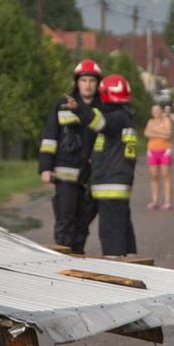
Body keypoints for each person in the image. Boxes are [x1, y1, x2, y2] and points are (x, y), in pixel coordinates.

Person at [68, 73, 137, 257]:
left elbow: (100, 122)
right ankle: (130, 260)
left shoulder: (116, 118)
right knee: (122, 230)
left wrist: (79, 108)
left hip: (110, 185)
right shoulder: (125, 117)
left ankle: (115, 270)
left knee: (111, 236)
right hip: (117, 184)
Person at [38, 59, 102, 253]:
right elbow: (50, 136)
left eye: (92, 80)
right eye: (84, 80)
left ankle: (77, 260)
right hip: (65, 175)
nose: (88, 84)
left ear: (98, 83)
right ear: (77, 82)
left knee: (82, 225)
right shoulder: (63, 105)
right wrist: (45, 167)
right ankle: (61, 264)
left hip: (91, 177)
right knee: (65, 222)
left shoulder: (104, 108)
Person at [143, 104, 173, 210]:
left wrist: (154, 132)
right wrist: (161, 133)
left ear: (161, 111)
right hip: (152, 150)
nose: (156, 112)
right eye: (153, 110)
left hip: (164, 151)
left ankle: (167, 201)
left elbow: (168, 134)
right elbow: (146, 133)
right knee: (154, 176)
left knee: (165, 176)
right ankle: (155, 201)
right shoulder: (150, 122)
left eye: (157, 110)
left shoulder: (166, 121)